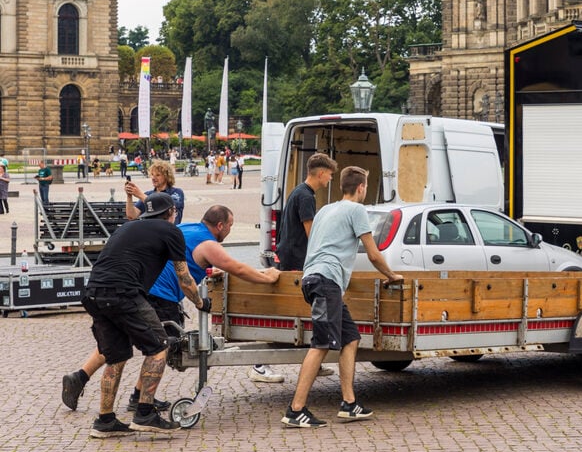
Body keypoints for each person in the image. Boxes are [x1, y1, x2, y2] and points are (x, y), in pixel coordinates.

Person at [61, 205, 283, 412]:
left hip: (144, 286)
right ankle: (140, 399)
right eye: (230, 226)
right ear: (220, 226)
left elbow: (190, 258)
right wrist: (267, 277)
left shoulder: (186, 228)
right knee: (160, 346)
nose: (230, 232)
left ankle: (80, 376)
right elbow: (237, 268)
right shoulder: (208, 243)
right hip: (163, 296)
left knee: (119, 339)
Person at [282, 166, 403, 428]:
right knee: (321, 344)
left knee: (350, 338)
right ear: (361, 187)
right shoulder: (357, 210)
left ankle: (349, 403)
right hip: (326, 281)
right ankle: (296, 409)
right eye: (366, 187)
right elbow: (372, 253)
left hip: (316, 278)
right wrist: (391, 276)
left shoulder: (326, 209)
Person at [79, 191, 203, 437]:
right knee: (159, 346)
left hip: (94, 292)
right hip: (124, 292)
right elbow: (184, 277)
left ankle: (105, 421)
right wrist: (200, 302)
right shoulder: (171, 231)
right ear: (171, 213)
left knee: (115, 357)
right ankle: (145, 413)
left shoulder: (128, 227)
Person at [250, 153, 338, 384]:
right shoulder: (306, 197)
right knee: (292, 311)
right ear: (320, 173)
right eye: (329, 175)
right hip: (297, 260)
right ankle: (260, 364)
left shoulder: (299, 191)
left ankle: (313, 360)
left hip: (291, 255)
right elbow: (312, 233)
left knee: (303, 311)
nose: (329, 180)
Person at [125, 159, 185, 224]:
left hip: (170, 231)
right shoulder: (148, 194)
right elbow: (131, 216)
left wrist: (140, 195)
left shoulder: (176, 193)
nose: (153, 178)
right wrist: (129, 196)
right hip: (152, 232)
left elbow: (165, 209)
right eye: (152, 175)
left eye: (158, 175)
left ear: (167, 177)